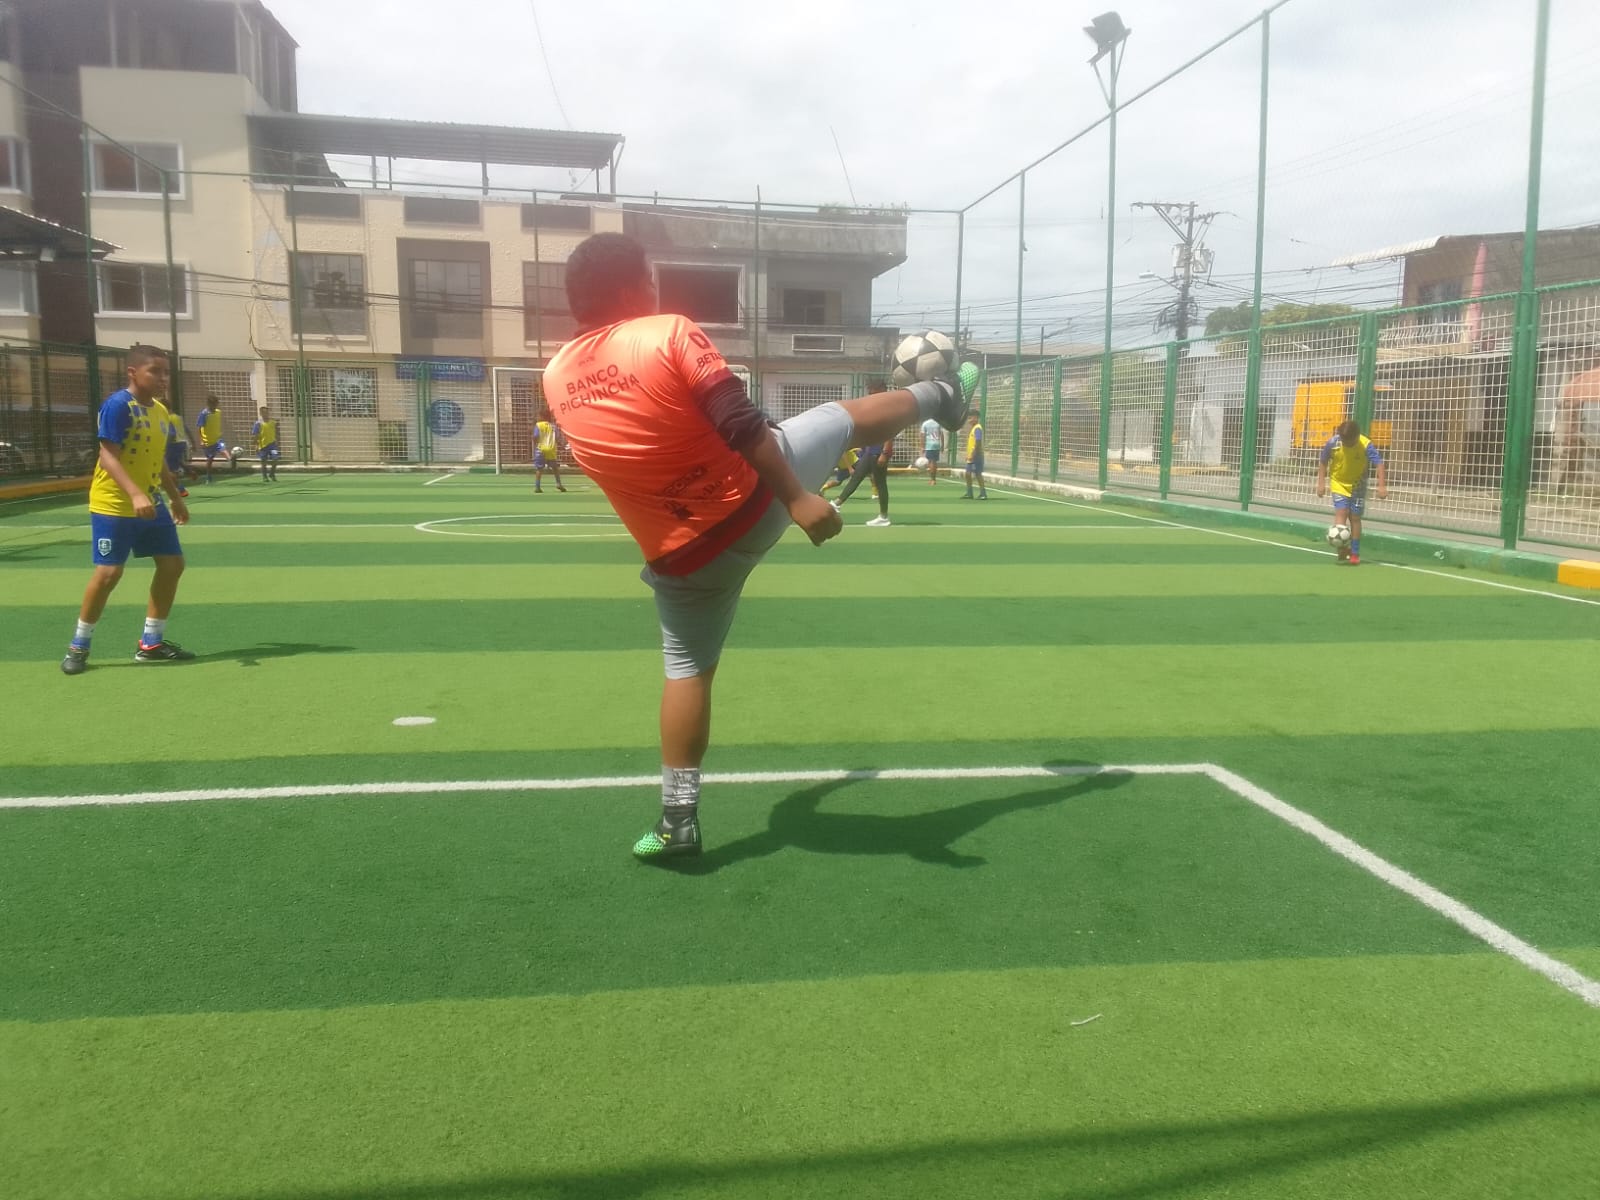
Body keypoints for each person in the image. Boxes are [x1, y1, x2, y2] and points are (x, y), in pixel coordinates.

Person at [542, 233, 969, 860]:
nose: (655, 290)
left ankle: (677, 821)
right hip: (754, 503)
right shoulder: (666, 332)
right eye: (649, 279)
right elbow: (738, 420)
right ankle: (945, 396)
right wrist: (797, 498)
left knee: (686, 674)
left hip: (683, 560)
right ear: (633, 288)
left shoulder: (555, 376)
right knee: (839, 417)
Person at [61, 345, 194, 675]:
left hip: (151, 502)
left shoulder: (160, 411)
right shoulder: (118, 405)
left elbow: (156, 459)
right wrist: (134, 494)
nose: (163, 378)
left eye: (166, 372)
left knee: (172, 565)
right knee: (109, 573)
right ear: (133, 372)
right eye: (155, 371)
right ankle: (78, 646)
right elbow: (108, 456)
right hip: (114, 504)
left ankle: (151, 644)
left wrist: (175, 496)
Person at [1315, 418, 1388, 565]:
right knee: (1341, 512)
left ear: (1357, 436)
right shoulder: (1333, 443)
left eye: (1350, 442)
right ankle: (1342, 548)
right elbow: (1323, 462)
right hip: (1338, 483)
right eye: (1344, 441)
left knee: (1355, 517)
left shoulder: (1366, 445)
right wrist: (1321, 483)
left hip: (1357, 485)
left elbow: (1379, 464)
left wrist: (1381, 486)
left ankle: (1354, 552)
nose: (1347, 444)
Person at [831, 434, 894, 527]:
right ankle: (836, 504)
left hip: (878, 452)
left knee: (880, 483)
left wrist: (885, 452)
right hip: (870, 451)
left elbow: (890, 433)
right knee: (856, 477)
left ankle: (883, 517)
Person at [533, 407, 568, 493]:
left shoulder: (538, 425)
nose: (537, 417)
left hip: (541, 449)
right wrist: (561, 445)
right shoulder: (553, 426)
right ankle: (558, 483)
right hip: (551, 449)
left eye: (538, 416)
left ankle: (537, 486)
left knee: (539, 469)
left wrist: (536, 443)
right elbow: (557, 437)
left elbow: (535, 436)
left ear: (542, 416)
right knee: (555, 468)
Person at [195, 394, 226, 483]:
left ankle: (230, 460)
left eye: (216, 404)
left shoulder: (218, 412)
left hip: (217, 438)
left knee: (223, 449)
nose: (215, 406)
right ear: (209, 404)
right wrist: (201, 440)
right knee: (210, 458)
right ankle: (208, 477)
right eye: (213, 404)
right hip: (207, 440)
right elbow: (199, 428)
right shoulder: (204, 414)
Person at [961, 409, 987, 499]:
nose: (969, 420)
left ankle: (983, 493)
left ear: (976, 418)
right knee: (968, 474)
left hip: (977, 455)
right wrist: (968, 454)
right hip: (971, 455)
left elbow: (978, 442)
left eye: (970, 418)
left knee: (978, 474)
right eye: (968, 418)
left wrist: (973, 454)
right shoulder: (973, 428)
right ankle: (969, 493)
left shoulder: (977, 428)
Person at [251, 406, 280, 482]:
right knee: (263, 461)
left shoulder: (273, 422)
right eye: (264, 412)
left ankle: (272, 474)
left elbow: (276, 432)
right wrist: (256, 445)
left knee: (275, 459)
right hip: (263, 446)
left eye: (267, 412)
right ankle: (264, 476)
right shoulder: (258, 424)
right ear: (261, 413)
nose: (266, 414)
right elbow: (256, 435)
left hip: (272, 445)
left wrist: (277, 440)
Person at [919, 414, 944, 484]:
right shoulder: (938, 423)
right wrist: (942, 445)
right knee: (933, 461)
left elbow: (922, 436)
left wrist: (922, 447)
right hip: (936, 444)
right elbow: (941, 434)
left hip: (929, 445)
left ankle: (933, 479)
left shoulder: (925, 423)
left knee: (932, 462)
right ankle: (932, 478)